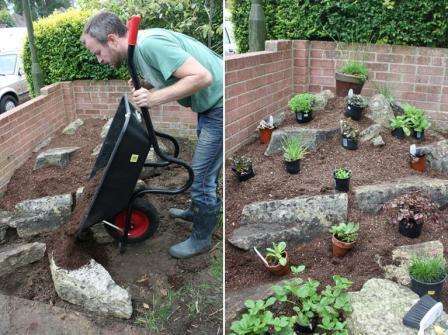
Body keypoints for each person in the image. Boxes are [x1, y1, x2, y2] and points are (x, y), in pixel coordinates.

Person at [81, 11, 223, 259]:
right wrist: (151, 87)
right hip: (209, 108)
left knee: (200, 177)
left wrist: (153, 97)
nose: (99, 60)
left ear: (112, 39)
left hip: (220, 106)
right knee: (207, 172)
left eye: (98, 52)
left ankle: (201, 238)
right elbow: (175, 76)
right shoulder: (137, 50)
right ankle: (198, 211)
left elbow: (202, 76)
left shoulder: (149, 45)